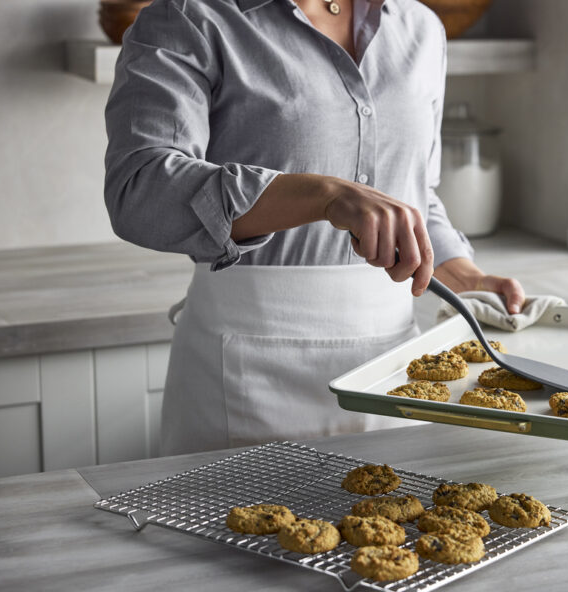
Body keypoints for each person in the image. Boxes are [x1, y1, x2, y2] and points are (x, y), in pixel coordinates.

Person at [104, 0, 525, 455]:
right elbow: (140, 191)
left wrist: (460, 272)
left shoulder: (421, 27)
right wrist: (321, 195)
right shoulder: (190, 17)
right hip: (245, 366)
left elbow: (416, 192)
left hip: (391, 365)